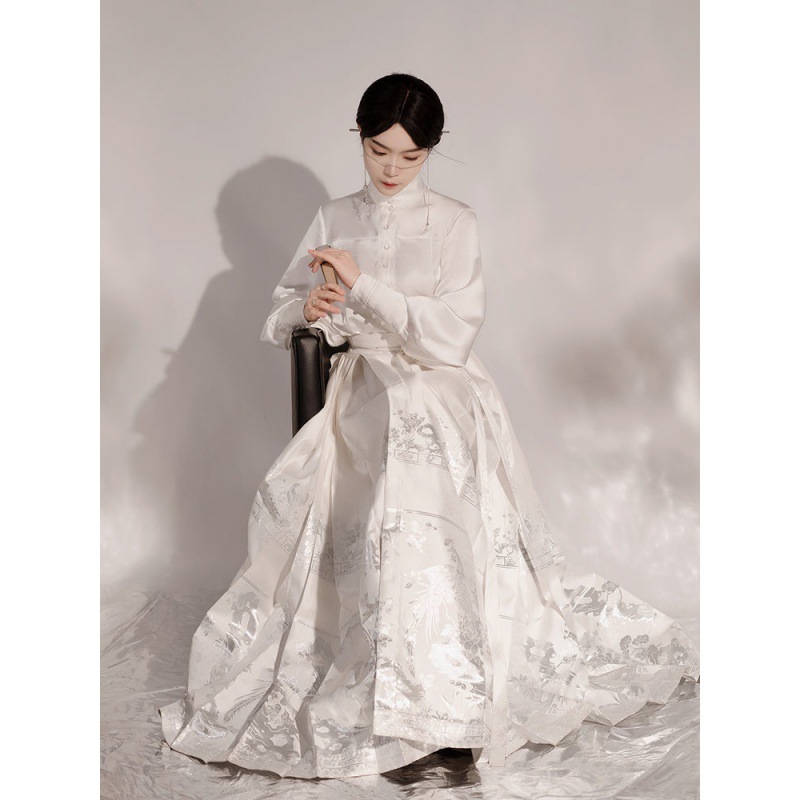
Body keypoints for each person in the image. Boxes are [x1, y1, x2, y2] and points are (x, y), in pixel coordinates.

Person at [158, 73, 700, 780]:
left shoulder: (454, 222)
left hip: (442, 385)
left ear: (431, 152)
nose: (391, 169)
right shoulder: (332, 216)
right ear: (359, 137)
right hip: (366, 386)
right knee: (397, 446)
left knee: (422, 446)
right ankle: (412, 709)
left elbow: (450, 338)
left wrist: (362, 286)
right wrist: (308, 308)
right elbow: (283, 313)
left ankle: (443, 712)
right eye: (377, 150)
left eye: (410, 157)